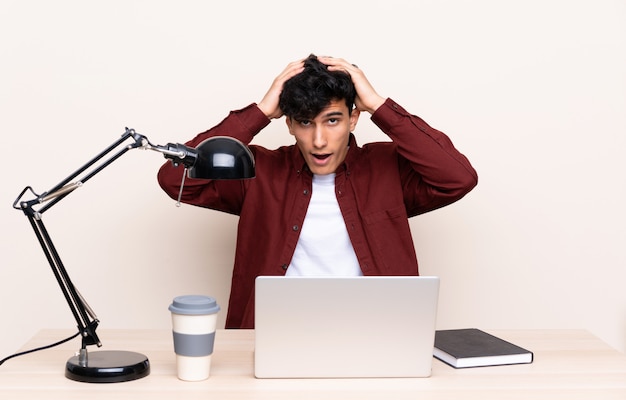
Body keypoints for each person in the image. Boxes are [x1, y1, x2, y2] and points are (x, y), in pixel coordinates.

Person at [157, 54, 478, 328]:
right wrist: (261, 111)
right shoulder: (259, 171)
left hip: (375, 333)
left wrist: (380, 106)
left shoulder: (387, 168)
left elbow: (458, 178)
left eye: (333, 120)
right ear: (289, 123)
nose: (319, 140)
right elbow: (175, 179)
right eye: (306, 122)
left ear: (354, 118)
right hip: (274, 332)